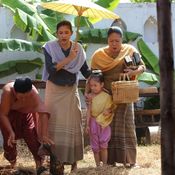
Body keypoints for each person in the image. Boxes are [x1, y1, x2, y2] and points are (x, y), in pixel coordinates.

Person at [90, 26, 146, 167]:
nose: (114, 44)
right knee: (108, 128)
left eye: (117, 41)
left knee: (127, 127)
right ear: (107, 41)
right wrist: (89, 93)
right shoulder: (99, 55)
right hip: (107, 98)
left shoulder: (130, 51)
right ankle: (110, 161)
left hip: (125, 96)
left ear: (122, 40)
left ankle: (130, 161)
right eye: (111, 41)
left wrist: (134, 70)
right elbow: (93, 76)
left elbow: (142, 67)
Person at [42, 20, 91, 172]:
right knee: (54, 127)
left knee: (74, 124)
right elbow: (51, 70)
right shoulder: (49, 47)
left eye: (66, 32)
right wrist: (68, 59)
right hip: (54, 91)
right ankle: (56, 162)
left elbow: (84, 70)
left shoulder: (78, 48)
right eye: (60, 32)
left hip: (71, 91)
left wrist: (98, 75)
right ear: (56, 34)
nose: (63, 35)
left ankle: (74, 162)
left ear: (71, 33)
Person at [0, 77, 53, 170]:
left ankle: (39, 165)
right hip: (8, 117)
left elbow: (43, 112)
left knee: (31, 137)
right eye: (21, 97)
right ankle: (12, 164)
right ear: (15, 92)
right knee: (9, 143)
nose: (24, 99)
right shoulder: (7, 91)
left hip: (25, 115)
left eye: (27, 96)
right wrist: (11, 132)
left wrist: (44, 135)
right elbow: (3, 115)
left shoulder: (33, 92)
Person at [85, 70, 115, 167]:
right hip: (93, 123)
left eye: (95, 85)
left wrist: (109, 111)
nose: (92, 88)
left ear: (102, 84)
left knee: (104, 145)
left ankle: (105, 165)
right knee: (95, 146)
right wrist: (87, 125)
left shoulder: (107, 96)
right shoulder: (90, 97)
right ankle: (98, 165)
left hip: (104, 123)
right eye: (91, 86)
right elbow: (89, 111)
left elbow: (112, 108)